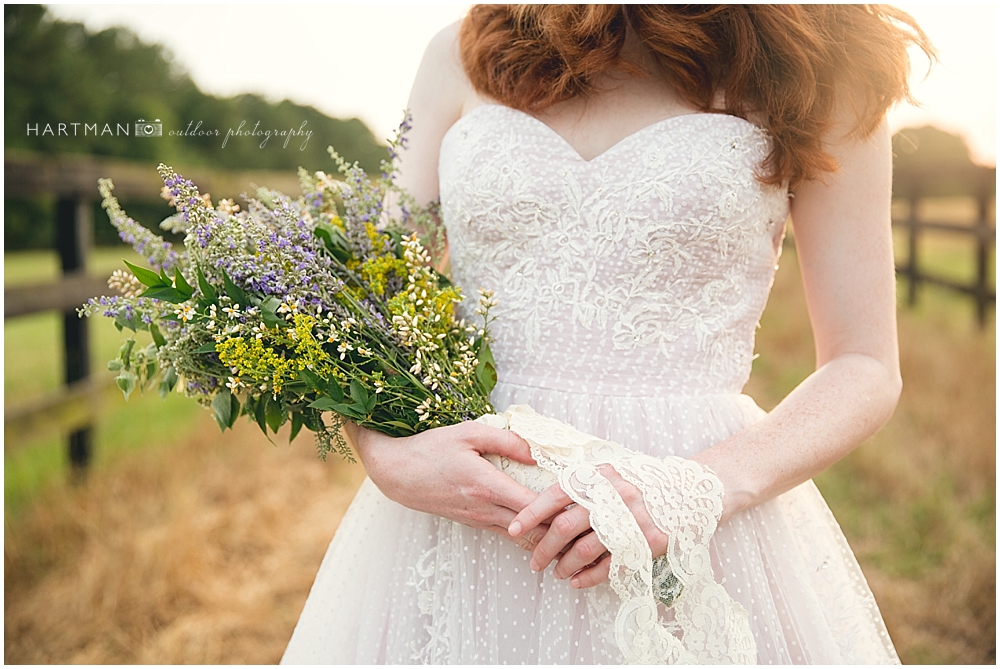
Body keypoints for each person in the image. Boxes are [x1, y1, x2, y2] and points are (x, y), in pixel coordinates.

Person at [282, 5, 932, 664]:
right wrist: (384, 456)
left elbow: (865, 362)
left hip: (691, 514)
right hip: (470, 513)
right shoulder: (458, 52)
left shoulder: (825, 63)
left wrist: (689, 492)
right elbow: (368, 305)